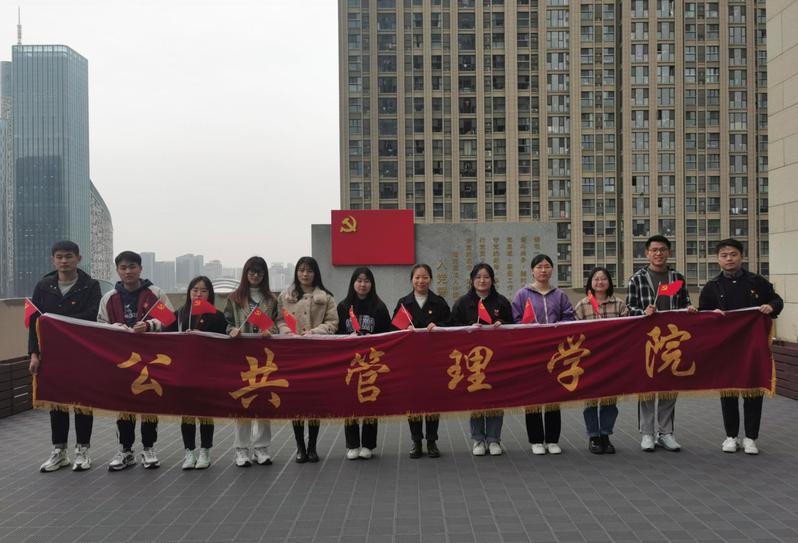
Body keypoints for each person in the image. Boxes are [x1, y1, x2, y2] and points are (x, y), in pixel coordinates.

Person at [698, 238, 783, 455]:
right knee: (728, 392)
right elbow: (702, 313)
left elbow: (777, 301)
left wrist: (769, 306)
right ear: (718, 259)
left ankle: (751, 438)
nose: (729, 259)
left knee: (753, 390)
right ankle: (731, 436)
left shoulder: (757, 281)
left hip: (752, 347)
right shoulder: (712, 286)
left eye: (733, 254)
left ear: (741, 257)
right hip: (726, 349)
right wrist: (711, 314)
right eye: (724, 255)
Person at [28, 241, 102, 473]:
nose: (64, 261)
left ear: (78, 258)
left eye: (68, 256)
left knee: (82, 402)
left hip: (82, 353)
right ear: (53, 260)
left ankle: (83, 450)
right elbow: (34, 321)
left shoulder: (90, 285)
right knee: (57, 402)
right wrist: (34, 354)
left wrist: (60, 322)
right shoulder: (44, 286)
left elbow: (93, 315)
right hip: (52, 354)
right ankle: (59, 451)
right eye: (59, 257)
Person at [98, 251, 173, 470]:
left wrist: (150, 325)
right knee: (124, 405)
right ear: (117, 270)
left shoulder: (154, 293)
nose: (128, 271)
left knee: (148, 404)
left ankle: (148, 449)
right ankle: (125, 450)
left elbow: (170, 319)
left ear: (140, 269)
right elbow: (100, 324)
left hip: (149, 359)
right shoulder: (109, 297)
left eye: (132, 267)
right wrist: (114, 327)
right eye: (123, 268)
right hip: (121, 360)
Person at [626, 234, 697, 453]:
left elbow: (685, 303)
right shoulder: (637, 278)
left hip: (671, 341)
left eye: (663, 250)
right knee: (647, 387)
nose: (658, 253)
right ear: (647, 253)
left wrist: (689, 309)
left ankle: (666, 433)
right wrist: (643, 311)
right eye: (654, 250)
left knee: (669, 387)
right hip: (648, 340)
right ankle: (647, 433)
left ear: (669, 252)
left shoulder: (676, 278)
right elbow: (629, 308)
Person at [511, 254, 574, 455]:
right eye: (539, 266)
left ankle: (553, 439)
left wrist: (556, 328)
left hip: (555, 352)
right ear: (532, 271)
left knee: (554, 395)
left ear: (552, 270)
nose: (543, 270)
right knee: (534, 395)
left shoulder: (560, 295)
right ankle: (536, 440)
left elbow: (569, 317)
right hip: (531, 353)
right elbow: (515, 320)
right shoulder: (522, 294)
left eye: (547, 266)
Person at [278, 256, 338, 463]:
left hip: (316, 355)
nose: (305, 274)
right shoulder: (285, 297)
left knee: (313, 402)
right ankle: (299, 447)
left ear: (315, 273)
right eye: (301, 270)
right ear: (296, 272)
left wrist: (314, 332)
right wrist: (288, 332)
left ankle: (312, 446)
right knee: (296, 402)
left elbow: (332, 323)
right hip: (293, 355)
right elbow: (278, 320)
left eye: (309, 270)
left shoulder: (326, 297)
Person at [448, 263, 513, 457]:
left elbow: (514, 324)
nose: (482, 281)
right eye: (478, 277)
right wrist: (468, 327)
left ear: (492, 280)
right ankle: (478, 439)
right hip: (472, 360)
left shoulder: (501, 302)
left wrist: (503, 323)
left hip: (496, 358)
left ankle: (493, 439)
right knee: (476, 398)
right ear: (472, 280)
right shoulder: (462, 303)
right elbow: (452, 326)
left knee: (495, 397)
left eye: (486, 277)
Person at [166, 276, 227, 469]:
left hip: (207, 372)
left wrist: (202, 338)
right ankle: (189, 452)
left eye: (203, 290)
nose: (198, 294)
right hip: (184, 371)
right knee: (187, 413)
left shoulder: (217, 316)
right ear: (189, 292)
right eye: (195, 290)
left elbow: (223, 343)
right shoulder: (180, 313)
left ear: (210, 294)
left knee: (205, 412)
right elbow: (163, 332)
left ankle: (205, 451)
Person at [224, 256, 279, 468]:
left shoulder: (271, 299)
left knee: (264, 402)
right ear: (246, 273)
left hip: (265, 356)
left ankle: (262, 448)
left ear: (265, 275)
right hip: (242, 356)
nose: (255, 276)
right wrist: (232, 330)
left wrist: (270, 330)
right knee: (243, 403)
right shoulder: (234, 298)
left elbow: (277, 323)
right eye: (252, 272)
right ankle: (241, 449)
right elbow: (227, 322)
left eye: (259, 272)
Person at [392, 263, 451, 459]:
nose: (421, 281)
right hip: (411, 361)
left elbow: (451, 324)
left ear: (430, 279)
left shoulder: (439, 302)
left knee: (432, 399)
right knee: (414, 399)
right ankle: (416, 441)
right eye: (417, 277)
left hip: (433, 360)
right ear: (411, 280)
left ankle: (432, 441)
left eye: (425, 277)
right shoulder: (404, 303)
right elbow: (393, 327)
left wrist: (438, 325)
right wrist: (404, 329)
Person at [336, 267, 391, 460]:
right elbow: (336, 333)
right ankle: (352, 445)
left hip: (371, 363)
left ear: (372, 284)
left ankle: (368, 444)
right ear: (353, 283)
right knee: (350, 402)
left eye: (366, 281)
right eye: (359, 280)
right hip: (350, 363)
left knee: (369, 401)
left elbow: (388, 333)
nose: (362, 284)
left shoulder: (379, 307)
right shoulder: (343, 306)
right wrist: (347, 336)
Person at [574, 266, 628, 454]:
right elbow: (574, 333)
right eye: (596, 279)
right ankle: (593, 436)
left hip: (612, 360)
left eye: (603, 278)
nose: (600, 282)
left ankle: (605, 434)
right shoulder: (582, 305)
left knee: (609, 401)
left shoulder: (619, 304)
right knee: (590, 401)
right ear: (590, 283)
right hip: (589, 361)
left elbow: (628, 329)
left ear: (609, 282)